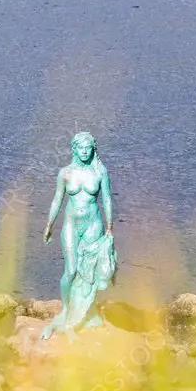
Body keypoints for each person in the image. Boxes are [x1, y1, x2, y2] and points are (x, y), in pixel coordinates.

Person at [40, 131, 117, 339]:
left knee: (89, 270)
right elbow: (57, 200)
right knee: (72, 269)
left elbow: (107, 199)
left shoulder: (100, 172)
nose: (84, 152)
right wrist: (49, 225)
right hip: (71, 224)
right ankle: (66, 309)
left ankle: (88, 313)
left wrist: (110, 227)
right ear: (74, 149)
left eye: (88, 148)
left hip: (94, 223)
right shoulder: (65, 173)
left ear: (93, 149)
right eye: (80, 148)